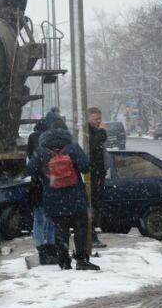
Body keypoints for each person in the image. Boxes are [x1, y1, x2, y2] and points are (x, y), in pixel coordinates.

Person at [26, 109, 100, 271]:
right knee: (80, 227)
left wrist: (46, 174)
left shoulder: (41, 150)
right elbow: (86, 167)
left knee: (61, 230)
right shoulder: (72, 147)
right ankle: (81, 260)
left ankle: (64, 261)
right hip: (76, 196)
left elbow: (30, 169)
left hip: (53, 197)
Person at [26, 117, 59, 264]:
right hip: (51, 185)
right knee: (50, 219)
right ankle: (50, 247)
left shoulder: (34, 139)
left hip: (37, 185)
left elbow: (30, 163)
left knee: (39, 219)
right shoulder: (51, 142)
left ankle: (42, 248)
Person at [86, 106, 108, 249]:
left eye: (99, 119)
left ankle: (92, 234)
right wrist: (102, 132)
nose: (98, 122)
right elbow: (92, 146)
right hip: (92, 175)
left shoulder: (95, 132)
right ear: (88, 119)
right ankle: (91, 236)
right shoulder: (88, 132)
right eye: (95, 119)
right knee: (92, 206)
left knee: (96, 206)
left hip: (97, 174)